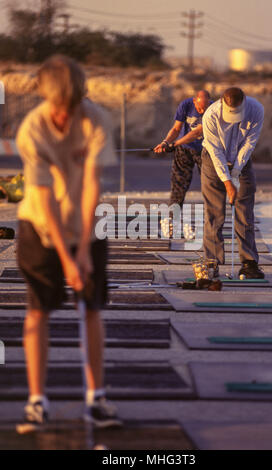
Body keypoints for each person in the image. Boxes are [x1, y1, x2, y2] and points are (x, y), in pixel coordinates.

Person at [15, 54, 122, 433]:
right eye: (59, 108)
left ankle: (96, 399)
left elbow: (92, 184)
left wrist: (83, 253)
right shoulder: (33, 130)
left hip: (86, 227)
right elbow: (43, 197)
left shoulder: (96, 119)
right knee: (38, 311)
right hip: (39, 228)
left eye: (71, 107)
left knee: (92, 310)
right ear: (47, 99)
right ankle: (37, 401)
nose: (65, 116)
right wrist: (66, 256)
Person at [201, 86, 265, 279]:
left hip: (242, 161)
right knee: (214, 212)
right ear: (222, 102)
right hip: (213, 161)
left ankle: (249, 262)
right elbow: (216, 152)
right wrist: (228, 183)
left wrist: (236, 174)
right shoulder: (211, 116)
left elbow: (249, 144)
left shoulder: (256, 109)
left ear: (244, 102)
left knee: (244, 210)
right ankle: (212, 262)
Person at [154, 90, 211, 208]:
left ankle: (212, 221)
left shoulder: (213, 110)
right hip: (184, 149)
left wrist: (174, 145)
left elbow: (196, 133)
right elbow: (176, 129)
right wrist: (165, 142)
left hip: (205, 150)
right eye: (200, 108)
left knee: (210, 185)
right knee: (178, 184)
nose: (202, 112)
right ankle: (173, 217)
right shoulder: (185, 105)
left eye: (205, 108)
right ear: (194, 101)